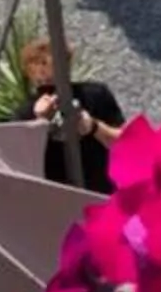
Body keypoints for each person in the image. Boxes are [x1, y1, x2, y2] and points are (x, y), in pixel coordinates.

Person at [21, 37, 127, 195]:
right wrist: (39, 124)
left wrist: (93, 127)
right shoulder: (25, 114)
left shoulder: (95, 95)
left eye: (48, 64)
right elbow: (23, 169)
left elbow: (126, 144)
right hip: (59, 203)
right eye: (37, 66)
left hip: (104, 196)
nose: (43, 71)